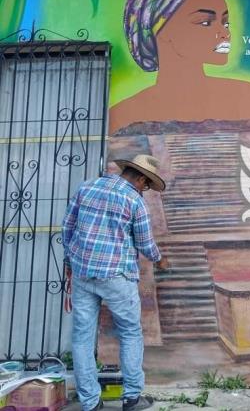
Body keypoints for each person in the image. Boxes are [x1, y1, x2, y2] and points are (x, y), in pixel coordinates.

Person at [62, 154, 170, 411]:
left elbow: (68, 228)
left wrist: (70, 264)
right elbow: (144, 243)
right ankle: (131, 398)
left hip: (83, 272)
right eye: (147, 185)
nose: (145, 190)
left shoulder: (87, 186)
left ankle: (90, 403)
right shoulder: (134, 201)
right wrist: (160, 259)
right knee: (131, 333)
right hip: (116, 276)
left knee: (82, 337)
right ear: (141, 178)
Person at [109, 0, 250, 134]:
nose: (225, 33)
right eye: (205, 22)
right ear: (162, 32)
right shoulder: (123, 116)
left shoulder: (249, 98)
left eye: (225, 23)